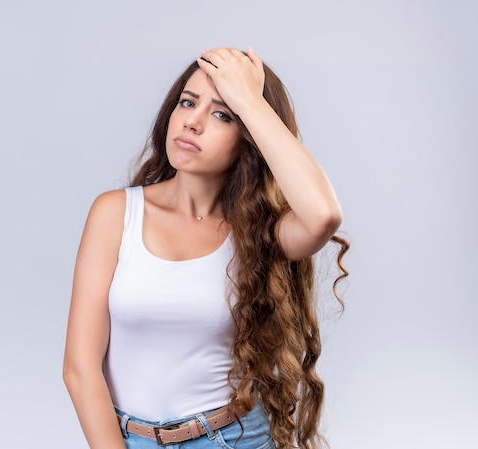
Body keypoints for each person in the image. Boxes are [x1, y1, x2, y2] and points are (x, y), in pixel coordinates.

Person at [63, 47, 349, 449]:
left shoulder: (258, 231)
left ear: (248, 136)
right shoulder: (114, 213)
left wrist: (250, 99)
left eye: (222, 114)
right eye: (188, 102)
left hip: (234, 439)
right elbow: (79, 368)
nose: (192, 123)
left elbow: (323, 216)